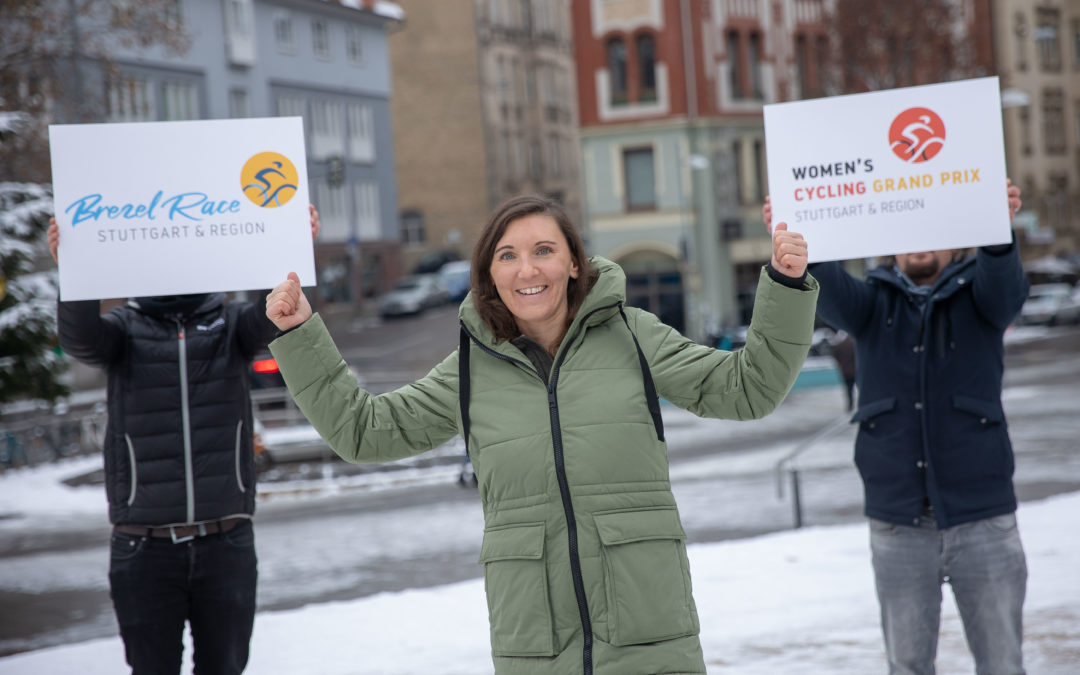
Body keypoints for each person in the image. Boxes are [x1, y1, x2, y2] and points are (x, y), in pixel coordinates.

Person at [264, 194, 819, 674]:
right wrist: (299, 332)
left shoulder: (633, 337)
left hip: (650, 641)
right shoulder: (469, 368)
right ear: (490, 275)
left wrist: (784, 285)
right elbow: (365, 431)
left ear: (575, 263)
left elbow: (751, 388)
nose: (527, 270)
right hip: (536, 649)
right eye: (508, 256)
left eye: (544, 251)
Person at [764, 181, 1028, 675]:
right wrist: (795, 231)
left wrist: (997, 233)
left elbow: (1008, 289)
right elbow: (823, 284)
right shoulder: (871, 305)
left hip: (982, 518)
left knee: (1003, 664)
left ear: (957, 241)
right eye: (908, 231)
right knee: (906, 665)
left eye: (932, 230)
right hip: (898, 524)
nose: (919, 241)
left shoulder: (983, 298)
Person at [48, 205, 320, 675]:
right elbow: (79, 339)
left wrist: (293, 246)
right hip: (143, 549)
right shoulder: (123, 333)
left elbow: (278, 313)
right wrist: (73, 267)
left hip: (226, 542)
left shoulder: (231, 325)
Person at [829, 329, 857, 411]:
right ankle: (859, 405)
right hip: (854, 370)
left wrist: (840, 364)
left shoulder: (839, 346)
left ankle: (850, 405)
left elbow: (834, 356)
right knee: (859, 388)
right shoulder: (853, 344)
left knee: (848, 389)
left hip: (845, 371)